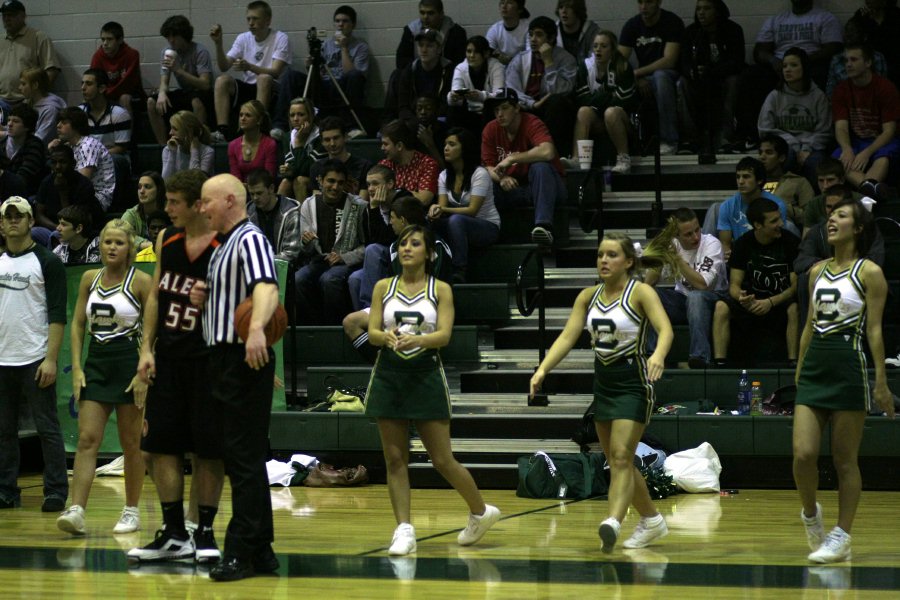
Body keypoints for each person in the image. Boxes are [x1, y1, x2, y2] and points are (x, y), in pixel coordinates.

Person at [530, 232, 675, 553]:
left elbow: (665, 329)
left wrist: (658, 355)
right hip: (604, 384)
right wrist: (543, 369)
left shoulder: (641, 293)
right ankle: (651, 520)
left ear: (628, 261)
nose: (603, 261)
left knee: (623, 456)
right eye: (599, 255)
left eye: (611, 255)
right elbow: (568, 337)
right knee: (616, 459)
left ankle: (613, 520)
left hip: (634, 382)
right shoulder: (587, 296)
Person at [366, 224, 500, 556]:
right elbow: (371, 331)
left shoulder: (441, 289)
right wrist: (387, 337)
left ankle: (481, 512)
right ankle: (404, 529)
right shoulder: (384, 286)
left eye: (415, 243)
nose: (407, 248)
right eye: (403, 244)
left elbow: (444, 336)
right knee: (395, 458)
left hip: (425, 374)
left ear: (430, 253)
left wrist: (418, 339)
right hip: (389, 375)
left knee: (441, 459)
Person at [128, 169, 225, 565]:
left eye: (174, 203)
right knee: (159, 447)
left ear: (198, 205)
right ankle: (173, 534)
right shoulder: (165, 239)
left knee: (208, 450)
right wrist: (146, 349)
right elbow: (155, 296)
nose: (166, 209)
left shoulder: (224, 245)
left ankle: (204, 531)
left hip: (209, 360)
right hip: (168, 357)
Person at [793, 196, 894, 564]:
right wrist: (800, 367)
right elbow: (807, 325)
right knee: (803, 454)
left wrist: (881, 381)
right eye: (830, 215)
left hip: (849, 367)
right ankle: (810, 513)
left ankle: (842, 535)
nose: (831, 220)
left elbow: (875, 330)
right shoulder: (815, 272)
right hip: (815, 364)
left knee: (844, 460)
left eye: (841, 215)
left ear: (859, 227)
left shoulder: (870, 272)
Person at [189, 173, 280, 582]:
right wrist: (204, 298)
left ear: (229, 200)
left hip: (239, 357)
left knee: (241, 459)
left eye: (206, 202)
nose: (201, 208)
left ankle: (239, 551)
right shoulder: (223, 246)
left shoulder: (250, 238)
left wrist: (257, 327)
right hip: (222, 358)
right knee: (245, 458)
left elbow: (266, 287)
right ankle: (262, 550)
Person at [56, 219, 152, 536]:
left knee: (131, 444)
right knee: (87, 440)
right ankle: (77, 510)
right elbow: (78, 325)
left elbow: (154, 334)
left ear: (130, 248)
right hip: (96, 365)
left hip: (129, 368)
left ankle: (131, 510)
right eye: (107, 241)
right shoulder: (88, 278)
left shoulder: (140, 282)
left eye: (118, 242)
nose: (111, 247)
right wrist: (78, 368)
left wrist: (144, 374)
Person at [0, 196, 68, 513]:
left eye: (20, 215)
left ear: (31, 222)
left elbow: (57, 315)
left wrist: (51, 358)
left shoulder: (48, 262)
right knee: (4, 431)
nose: (14, 220)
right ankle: (6, 491)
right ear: (1, 225)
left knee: (48, 428)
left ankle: (55, 490)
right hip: (3, 360)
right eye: (8, 216)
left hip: (35, 358)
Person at [734, 0, 842, 151]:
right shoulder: (776, 19)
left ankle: (817, 140)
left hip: (812, 63)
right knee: (750, 75)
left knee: (821, 73)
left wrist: (800, 62)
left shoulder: (825, 18)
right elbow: (759, 51)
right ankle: (750, 135)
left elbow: (834, 47)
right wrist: (774, 61)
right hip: (779, 64)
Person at [713, 197, 800, 366]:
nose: (781, 223)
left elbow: (795, 286)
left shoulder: (790, 242)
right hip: (751, 303)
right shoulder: (742, 244)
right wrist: (742, 298)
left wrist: (771, 302)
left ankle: (793, 362)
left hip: (779, 302)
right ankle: (719, 363)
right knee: (721, 306)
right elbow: (734, 285)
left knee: (794, 308)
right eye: (774, 221)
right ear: (758, 225)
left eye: (780, 218)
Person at [644, 208, 728, 368]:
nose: (695, 237)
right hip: (683, 301)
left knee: (696, 296)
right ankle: (650, 354)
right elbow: (648, 283)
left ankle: (700, 357)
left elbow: (703, 285)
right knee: (649, 294)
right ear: (676, 235)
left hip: (714, 298)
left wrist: (676, 260)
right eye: (688, 234)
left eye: (697, 230)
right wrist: (659, 257)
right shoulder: (672, 245)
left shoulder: (711, 244)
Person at [481, 88, 566, 247]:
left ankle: (544, 227)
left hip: (548, 188)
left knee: (540, 166)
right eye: (496, 109)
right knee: (484, 180)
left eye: (505, 108)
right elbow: (487, 167)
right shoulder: (491, 129)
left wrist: (513, 158)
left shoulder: (532, 122)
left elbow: (547, 151)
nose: (500, 114)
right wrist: (502, 178)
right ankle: (491, 233)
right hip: (516, 189)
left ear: (517, 108)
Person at [794, 184, 884, 326]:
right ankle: (811, 329)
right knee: (804, 279)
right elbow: (801, 261)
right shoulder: (817, 231)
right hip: (826, 280)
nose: (832, 215)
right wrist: (829, 266)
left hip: (858, 278)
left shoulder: (868, 229)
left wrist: (840, 266)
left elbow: (876, 259)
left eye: (839, 210)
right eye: (829, 208)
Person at [295, 159, 367, 325]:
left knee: (329, 280)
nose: (335, 187)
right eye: (331, 181)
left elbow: (367, 246)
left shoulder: (359, 206)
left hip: (346, 264)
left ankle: (334, 329)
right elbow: (303, 249)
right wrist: (305, 243)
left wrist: (345, 257)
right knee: (299, 279)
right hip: (318, 261)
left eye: (340, 183)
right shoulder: (308, 205)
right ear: (320, 181)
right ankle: (312, 328)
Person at [209, 1, 290, 141]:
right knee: (222, 80)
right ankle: (222, 131)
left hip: (272, 87)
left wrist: (250, 67)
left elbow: (276, 71)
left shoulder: (280, 38)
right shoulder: (243, 38)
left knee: (263, 78)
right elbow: (224, 66)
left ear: (267, 20)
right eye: (249, 19)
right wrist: (218, 44)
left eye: (255, 19)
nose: (251, 23)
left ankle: (260, 129)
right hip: (250, 87)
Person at [429, 127, 500, 282]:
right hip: (458, 225)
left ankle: (459, 270)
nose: (446, 148)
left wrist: (444, 209)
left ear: (464, 148)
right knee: (430, 222)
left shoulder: (480, 174)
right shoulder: (443, 176)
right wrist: (435, 210)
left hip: (487, 226)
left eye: (452, 144)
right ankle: (434, 267)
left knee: (456, 220)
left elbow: (473, 210)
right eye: (445, 144)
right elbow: (442, 207)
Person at [679, 0, 744, 158]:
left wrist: (711, 71)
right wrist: (692, 71)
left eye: (707, 8)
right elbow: (683, 61)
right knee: (681, 83)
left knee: (734, 81)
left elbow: (737, 61)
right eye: (698, 9)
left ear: (718, 11)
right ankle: (691, 139)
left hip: (724, 76)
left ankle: (725, 137)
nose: (701, 12)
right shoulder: (691, 32)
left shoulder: (733, 30)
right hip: (699, 78)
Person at [618, 0, 685, 154]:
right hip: (643, 77)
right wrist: (635, 78)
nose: (643, 7)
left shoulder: (672, 22)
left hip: (670, 75)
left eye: (648, 2)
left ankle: (670, 140)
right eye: (640, 2)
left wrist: (638, 73)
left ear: (658, 2)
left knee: (660, 77)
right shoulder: (632, 25)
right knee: (620, 82)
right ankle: (631, 145)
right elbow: (618, 62)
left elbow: (670, 60)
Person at [758, 47, 831, 186]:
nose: (787, 69)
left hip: (811, 147)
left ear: (804, 68)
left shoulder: (818, 96)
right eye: (784, 66)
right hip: (785, 146)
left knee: (815, 162)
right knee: (784, 157)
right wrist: (791, 143)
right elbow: (765, 129)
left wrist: (806, 149)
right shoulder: (775, 96)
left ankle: (811, 201)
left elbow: (824, 131)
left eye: (794, 65)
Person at [832, 43, 900, 192]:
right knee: (840, 159)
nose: (848, 65)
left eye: (854, 60)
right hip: (856, 141)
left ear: (868, 62)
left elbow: (889, 131)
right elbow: (841, 127)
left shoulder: (885, 88)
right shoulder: (841, 90)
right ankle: (871, 192)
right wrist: (847, 148)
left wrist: (867, 153)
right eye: (846, 61)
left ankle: (867, 192)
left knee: (883, 157)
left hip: (883, 140)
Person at [505, 16, 577, 153]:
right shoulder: (520, 59)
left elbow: (561, 91)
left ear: (550, 38)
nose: (533, 39)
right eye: (531, 34)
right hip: (526, 106)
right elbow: (511, 89)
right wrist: (531, 103)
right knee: (499, 103)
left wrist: (549, 62)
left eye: (538, 35)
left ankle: (552, 154)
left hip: (552, 108)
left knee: (557, 102)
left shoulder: (566, 59)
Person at [570, 30, 637, 174]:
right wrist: (605, 96)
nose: (598, 49)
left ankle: (623, 158)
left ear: (612, 49)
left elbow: (623, 101)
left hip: (624, 120)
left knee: (611, 112)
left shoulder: (623, 67)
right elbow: (582, 99)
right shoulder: (585, 67)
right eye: (595, 46)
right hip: (599, 118)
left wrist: (597, 101)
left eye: (603, 46)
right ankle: (577, 159)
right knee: (584, 111)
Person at [148, 15, 214, 146]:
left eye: (174, 36)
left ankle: (198, 145)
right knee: (151, 102)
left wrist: (179, 70)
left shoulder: (200, 51)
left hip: (201, 93)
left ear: (184, 35)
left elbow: (205, 84)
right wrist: (161, 93)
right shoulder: (167, 52)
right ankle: (164, 148)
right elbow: (164, 81)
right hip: (184, 93)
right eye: (168, 37)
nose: (171, 40)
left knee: (196, 101)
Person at [716, 157, 790, 259]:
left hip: (770, 254)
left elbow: (778, 239)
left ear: (759, 180)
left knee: (790, 227)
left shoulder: (777, 205)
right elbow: (726, 246)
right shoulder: (727, 206)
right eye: (738, 177)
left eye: (746, 177)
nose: (740, 181)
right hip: (740, 256)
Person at [383, 29, 454, 129]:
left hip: (439, 119)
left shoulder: (449, 70)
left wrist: (429, 120)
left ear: (439, 49)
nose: (424, 50)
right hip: (414, 120)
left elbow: (447, 104)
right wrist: (416, 122)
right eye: (421, 45)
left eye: (429, 46)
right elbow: (403, 106)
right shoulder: (410, 70)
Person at [49, 107, 116, 212]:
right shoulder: (70, 147)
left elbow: (82, 181)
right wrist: (53, 153)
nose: (58, 126)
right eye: (58, 122)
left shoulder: (88, 145)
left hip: (96, 198)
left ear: (76, 125)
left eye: (64, 122)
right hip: (77, 194)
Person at [34, 145, 103, 234]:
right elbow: (39, 215)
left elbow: (74, 221)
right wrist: (57, 228)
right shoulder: (47, 182)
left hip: (79, 232)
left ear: (73, 164)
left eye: (62, 162)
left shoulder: (84, 185)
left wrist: (63, 193)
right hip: (53, 229)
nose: (58, 167)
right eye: (54, 163)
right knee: (34, 232)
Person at [0, 0, 59, 105]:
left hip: (27, 102)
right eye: (4, 15)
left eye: (11, 15)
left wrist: (36, 97)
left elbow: (51, 71)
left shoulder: (38, 37)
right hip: (2, 101)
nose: (6, 19)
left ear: (23, 16)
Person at [446, 35, 505, 135]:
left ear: (486, 53)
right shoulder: (460, 68)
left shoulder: (496, 66)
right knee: (453, 111)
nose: (471, 55)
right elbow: (454, 94)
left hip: (488, 112)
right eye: (469, 51)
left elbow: (500, 95)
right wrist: (453, 97)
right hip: (469, 111)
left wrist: (481, 96)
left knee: (489, 107)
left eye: (476, 52)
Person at [245, 168, 301, 265]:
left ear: (271, 188)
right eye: (251, 194)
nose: (255, 198)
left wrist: (261, 261)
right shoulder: (248, 212)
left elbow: (291, 254)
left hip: (284, 269)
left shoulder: (290, 212)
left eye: (259, 193)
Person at [309, 116, 373, 199]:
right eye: (327, 140)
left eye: (336, 138)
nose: (332, 144)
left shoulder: (364, 166)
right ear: (322, 142)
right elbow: (317, 202)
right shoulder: (316, 168)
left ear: (345, 137)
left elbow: (362, 204)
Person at [758, 134, 816, 226]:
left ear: (781, 158)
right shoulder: (754, 183)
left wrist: (785, 208)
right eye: (760, 152)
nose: (762, 157)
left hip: (785, 229)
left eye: (769, 153)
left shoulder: (798, 182)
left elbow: (811, 216)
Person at [379, 119, 439, 206]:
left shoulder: (427, 164)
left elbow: (424, 200)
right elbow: (375, 195)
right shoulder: (384, 165)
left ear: (399, 146)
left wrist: (393, 193)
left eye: (385, 144)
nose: (382, 148)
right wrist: (411, 194)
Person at [89, 22, 144, 115]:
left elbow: (128, 84)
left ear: (120, 40)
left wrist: (104, 95)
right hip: (107, 94)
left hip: (130, 93)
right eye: (103, 39)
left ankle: (126, 129)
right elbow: (93, 80)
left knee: (124, 98)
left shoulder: (132, 54)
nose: (105, 43)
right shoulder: (98, 56)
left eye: (109, 39)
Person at [277, 97, 324, 201]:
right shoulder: (287, 137)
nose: (295, 119)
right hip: (297, 179)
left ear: (310, 116)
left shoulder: (320, 136)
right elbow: (291, 166)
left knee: (300, 180)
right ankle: (275, 215)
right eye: (292, 115)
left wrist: (299, 143)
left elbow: (309, 170)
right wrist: (286, 171)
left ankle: (304, 216)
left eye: (301, 114)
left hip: (319, 180)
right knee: (286, 182)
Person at [396, 0, 467, 70]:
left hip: (447, 76)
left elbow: (461, 64)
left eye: (430, 13)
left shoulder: (456, 33)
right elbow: (401, 62)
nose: (425, 17)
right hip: (418, 76)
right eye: (422, 12)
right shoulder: (411, 31)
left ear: (441, 14)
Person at [802, 158, 862, 237]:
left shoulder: (860, 201)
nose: (825, 186)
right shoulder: (813, 204)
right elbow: (807, 239)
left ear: (842, 180)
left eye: (830, 180)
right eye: (821, 181)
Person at [79, 69, 132, 157]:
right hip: (86, 159)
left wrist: (94, 156)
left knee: (116, 159)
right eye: (82, 83)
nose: (83, 88)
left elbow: (121, 148)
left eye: (88, 84)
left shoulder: (119, 114)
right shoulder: (79, 112)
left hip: (110, 159)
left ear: (102, 88)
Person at [849, 0, 900, 87]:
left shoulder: (895, 14)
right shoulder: (862, 15)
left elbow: (890, 42)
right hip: (871, 61)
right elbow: (852, 37)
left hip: (894, 60)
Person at [227, 99, 278, 182]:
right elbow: (236, 178)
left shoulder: (269, 144)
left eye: (248, 115)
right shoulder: (232, 145)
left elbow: (269, 177)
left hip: (263, 191)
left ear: (259, 120)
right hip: (241, 190)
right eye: (241, 115)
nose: (243, 118)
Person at [3, 102, 46, 195]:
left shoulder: (34, 146)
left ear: (27, 127)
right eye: (9, 120)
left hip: (27, 195)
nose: (10, 124)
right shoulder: (2, 143)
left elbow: (22, 181)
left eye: (15, 121)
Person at [18, 66, 65, 145]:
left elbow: (39, 138)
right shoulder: (27, 103)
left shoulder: (50, 110)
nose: (19, 87)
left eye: (23, 84)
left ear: (35, 85)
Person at [162, 110, 215, 178]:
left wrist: (194, 150)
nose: (170, 133)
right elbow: (165, 180)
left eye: (175, 129)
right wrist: (172, 153)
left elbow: (196, 181)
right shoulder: (168, 150)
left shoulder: (207, 151)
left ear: (189, 131)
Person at [122, 171, 165, 248]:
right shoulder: (132, 213)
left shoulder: (171, 210)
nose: (141, 191)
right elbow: (121, 234)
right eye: (139, 187)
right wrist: (148, 245)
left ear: (159, 190)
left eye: (147, 187)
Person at [486, 0, 530, 66]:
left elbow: (530, 55)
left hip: (523, 68)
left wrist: (511, 61)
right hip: (501, 69)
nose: (504, 6)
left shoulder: (528, 28)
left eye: (510, 3)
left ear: (520, 9)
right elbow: (487, 52)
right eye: (502, 2)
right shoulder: (495, 29)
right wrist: (498, 56)